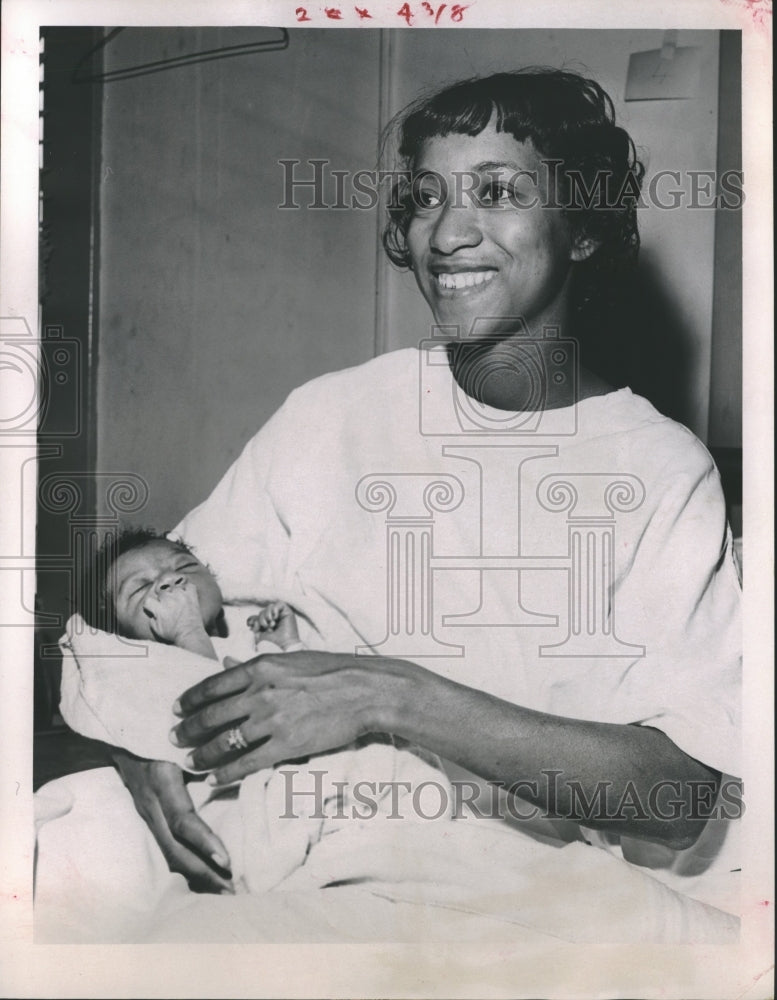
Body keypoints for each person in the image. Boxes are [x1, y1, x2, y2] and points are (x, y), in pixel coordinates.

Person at [93, 69, 742, 910]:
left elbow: (677, 794)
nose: (447, 234)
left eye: (498, 191)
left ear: (581, 229)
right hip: (269, 829)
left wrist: (388, 698)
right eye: (426, 198)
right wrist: (137, 745)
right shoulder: (331, 414)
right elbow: (149, 621)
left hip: (496, 879)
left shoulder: (657, 471)